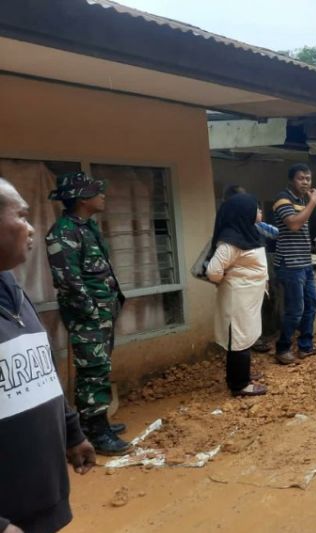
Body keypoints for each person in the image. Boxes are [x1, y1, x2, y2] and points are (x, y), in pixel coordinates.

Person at [0, 178, 95, 532]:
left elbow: (42, 369)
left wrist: (72, 432)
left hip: (42, 505)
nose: (31, 228)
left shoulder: (12, 289)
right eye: (22, 216)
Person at [46, 172, 130, 455]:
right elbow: (68, 280)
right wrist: (91, 311)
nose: (103, 195)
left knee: (100, 368)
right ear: (83, 198)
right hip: (88, 317)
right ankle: (95, 432)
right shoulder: (63, 232)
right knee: (92, 371)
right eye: (98, 191)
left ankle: (97, 421)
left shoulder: (87, 227)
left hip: (102, 313)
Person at [207, 193, 269, 396]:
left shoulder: (248, 232)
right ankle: (239, 384)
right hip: (238, 299)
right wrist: (231, 279)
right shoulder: (230, 242)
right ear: (243, 212)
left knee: (246, 337)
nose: (259, 212)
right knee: (239, 340)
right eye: (256, 208)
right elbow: (213, 271)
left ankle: (243, 374)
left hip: (248, 298)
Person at [272, 163, 316, 365]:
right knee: (295, 309)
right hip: (289, 263)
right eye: (301, 178)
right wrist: (313, 202)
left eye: (308, 178)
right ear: (291, 180)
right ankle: (283, 348)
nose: (305, 182)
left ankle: (305, 346)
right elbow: (294, 224)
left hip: (304, 262)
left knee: (312, 303)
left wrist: (309, 202)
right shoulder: (282, 199)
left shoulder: (303, 200)